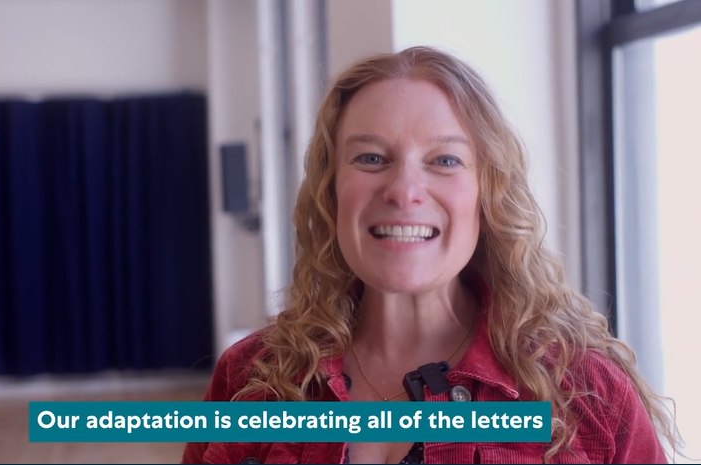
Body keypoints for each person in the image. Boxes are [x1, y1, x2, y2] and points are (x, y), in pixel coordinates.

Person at [181, 46, 681, 464]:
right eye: (371, 158)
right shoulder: (250, 377)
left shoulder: (589, 395)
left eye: (444, 160)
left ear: (488, 195)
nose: (404, 191)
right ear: (330, 192)